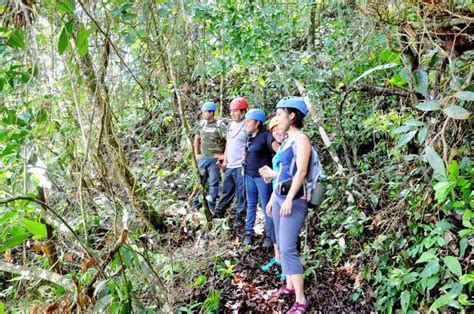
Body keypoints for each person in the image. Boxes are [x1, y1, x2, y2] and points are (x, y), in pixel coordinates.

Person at [266, 97, 311, 313]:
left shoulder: (302, 139)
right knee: (282, 247)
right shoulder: (286, 141)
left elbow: (301, 172)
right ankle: (290, 286)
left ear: (292, 116)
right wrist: (274, 199)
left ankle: (301, 300)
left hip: (295, 201)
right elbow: (284, 173)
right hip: (280, 199)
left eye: (280, 114)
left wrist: (290, 198)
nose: (277, 119)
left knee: (289, 248)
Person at [212, 97, 248, 228]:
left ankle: (239, 218)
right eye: (231, 111)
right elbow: (229, 144)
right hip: (230, 165)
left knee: (241, 193)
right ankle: (218, 213)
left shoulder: (247, 126)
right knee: (226, 191)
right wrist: (225, 160)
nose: (232, 114)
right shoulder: (231, 125)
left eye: (236, 111)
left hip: (241, 166)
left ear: (243, 112)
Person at [243, 109, 274, 247]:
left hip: (262, 178)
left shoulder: (267, 136)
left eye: (248, 121)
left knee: (266, 205)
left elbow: (280, 154)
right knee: (251, 204)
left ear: (257, 123)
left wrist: (273, 172)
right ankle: (248, 232)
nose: (246, 124)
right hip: (249, 175)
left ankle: (269, 234)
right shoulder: (250, 137)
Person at [259, 116, 284, 274]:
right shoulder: (281, 149)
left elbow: (292, 174)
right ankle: (278, 259)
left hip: (286, 195)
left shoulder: (290, 147)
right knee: (274, 229)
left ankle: (288, 268)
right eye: (273, 130)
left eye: (279, 128)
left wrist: (272, 174)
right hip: (276, 193)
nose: (276, 133)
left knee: (285, 232)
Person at [192, 101, 227, 211]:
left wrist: (224, 156)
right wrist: (197, 154)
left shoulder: (220, 125)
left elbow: (228, 141)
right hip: (203, 158)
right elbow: (196, 139)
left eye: (205, 112)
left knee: (213, 183)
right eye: (202, 112)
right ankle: (196, 204)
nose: (203, 114)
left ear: (211, 113)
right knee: (200, 181)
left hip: (214, 160)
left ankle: (211, 206)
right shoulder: (202, 124)